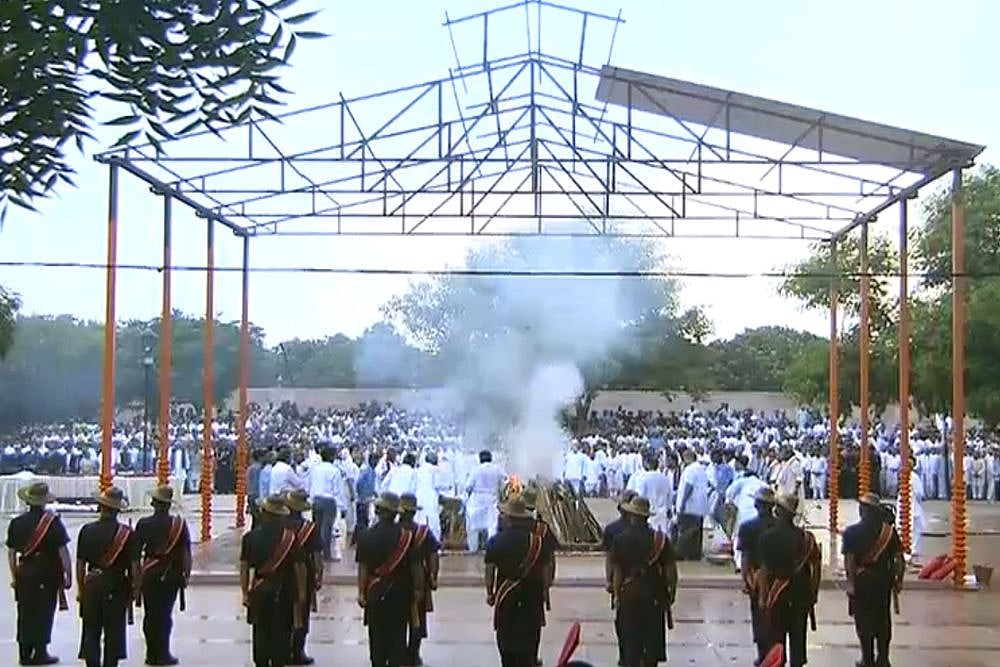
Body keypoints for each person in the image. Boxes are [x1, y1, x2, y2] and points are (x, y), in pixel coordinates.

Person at [6, 482, 72, 666]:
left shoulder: (16, 522)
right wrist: (68, 574)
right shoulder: (52, 522)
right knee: (43, 612)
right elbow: (62, 551)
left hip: (24, 572)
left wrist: (14, 576)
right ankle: (40, 652)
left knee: (25, 611)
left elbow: (11, 554)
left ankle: (24, 653)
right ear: (44, 502)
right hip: (46, 572)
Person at [485, 495, 555, 667]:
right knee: (530, 636)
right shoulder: (537, 542)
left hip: (506, 594)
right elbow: (546, 568)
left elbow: (490, 570)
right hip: (532, 595)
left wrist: (490, 593)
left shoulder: (496, 541)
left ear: (508, 518)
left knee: (506, 635)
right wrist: (545, 592)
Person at [356, 492, 424, 667]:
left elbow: (362, 568)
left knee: (376, 637)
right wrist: (418, 590)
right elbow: (416, 567)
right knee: (397, 638)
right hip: (401, 594)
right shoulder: (407, 537)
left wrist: (361, 593)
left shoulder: (365, 536)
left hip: (374, 591)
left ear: (378, 511)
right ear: (395, 513)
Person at [610, 494, 678, 667]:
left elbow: (617, 572)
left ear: (632, 516)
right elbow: (671, 572)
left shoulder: (620, 540)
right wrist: (671, 594)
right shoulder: (660, 540)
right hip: (654, 595)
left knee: (630, 641)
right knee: (651, 642)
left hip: (629, 595)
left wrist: (617, 595)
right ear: (647, 517)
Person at [240, 495, 307, 667]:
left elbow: (245, 567)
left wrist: (245, 592)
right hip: (284, 591)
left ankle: (261, 660)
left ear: (264, 513)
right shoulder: (291, 538)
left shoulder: (250, 537)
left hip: (259, 589)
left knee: (260, 629)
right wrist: (300, 594)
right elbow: (299, 568)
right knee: (282, 631)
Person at [755, 493, 821, 667]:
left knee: (777, 640)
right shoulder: (807, 538)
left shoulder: (767, 538)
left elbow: (764, 570)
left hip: (778, 593)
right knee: (798, 641)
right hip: (801, 594)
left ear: (778, 511)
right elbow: (816, 567)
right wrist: (813, 592)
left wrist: (762, 597)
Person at [76, 486, 139, 667]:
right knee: (114, 630)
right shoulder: (127, 534)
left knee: (91, 628)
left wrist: (81, 589)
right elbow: (135, 566)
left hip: (92, 584)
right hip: (116, 584)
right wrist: (135, 590)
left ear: (101, 507)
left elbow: (80, 564)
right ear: (118, 510)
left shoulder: (86, 530)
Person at [843, 493, 904, 667]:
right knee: (882, 619)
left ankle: (867, 658)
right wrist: (899, 580)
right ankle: (883, 658)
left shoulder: (852, 532)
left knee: (863, 621)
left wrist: (851, 583)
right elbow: (899, 559)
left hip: (862, 580)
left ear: (863, 511)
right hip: (883, 580)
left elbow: (850, 561)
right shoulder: (889, 532)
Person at [134, 485, 191, 666]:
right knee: (165, 615)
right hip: (171, 573)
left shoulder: (143, 524)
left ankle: (151, 653)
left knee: (150, 614)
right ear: (168, 505)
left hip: (149, 572)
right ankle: (163, 652)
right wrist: (186, 575)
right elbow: (186, 553)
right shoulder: (179, 525)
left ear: (153, 503)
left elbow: (135, 555)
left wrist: (136, 579)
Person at [398, 492, 441, 667]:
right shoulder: (423, 532)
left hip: (396, 578)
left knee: (398, 619)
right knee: (418, 619)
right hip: (419, 579)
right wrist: (433, 576)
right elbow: (433, 556)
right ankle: (413, 654)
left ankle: (399, 653)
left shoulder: (394, 531)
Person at [736, 487, 776, 665]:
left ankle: (763, 655)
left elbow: (745, 557)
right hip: (779, 580)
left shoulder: (747, 527)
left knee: (759, 619)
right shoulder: (779, 526)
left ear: (756, 504)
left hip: (756, 578)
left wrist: (746, 580)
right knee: (776, 620)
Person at [521, 487, 560, 667]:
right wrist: (548, 583)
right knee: (534, 624)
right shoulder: (543, 529)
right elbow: (550, 559)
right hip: (535, 583)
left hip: (510, 585)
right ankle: (531, 657)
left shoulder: (506, 527)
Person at [285, 489, 324, 666]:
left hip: (282, 572)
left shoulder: (281, 525)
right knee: (301, 612)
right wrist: (318, 575)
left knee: (283, 614)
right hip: (304, 575)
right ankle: (298, 651)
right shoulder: (310, 528)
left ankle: (283, 649)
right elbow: (317, 555)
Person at [602, 490, 638, 667]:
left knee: (622, 621)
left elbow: (610, 560)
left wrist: (609, 581)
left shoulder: (612, 530)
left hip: (622, 583)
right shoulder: (654, 535)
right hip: (641, 585)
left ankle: (625, 656)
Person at [465, 450, 505, 552]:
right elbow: (504, 484)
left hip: (476, 500)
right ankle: (492, 549)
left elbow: (468, 486)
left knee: (473, 527)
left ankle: (473, 550)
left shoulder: (475, 470)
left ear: (480, 459)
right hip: (491, 499)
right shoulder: (497, 469)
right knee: (492, 526)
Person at [308, 447, 342, 562]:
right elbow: (337, 490)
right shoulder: (335, 470)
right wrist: (341, 506)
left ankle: (315, 554)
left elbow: (310, 484)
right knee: (326, 529)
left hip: (316, 499)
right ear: (332, 456)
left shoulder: (315, 469)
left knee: (317, 528)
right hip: (329, 501)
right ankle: (326, 555)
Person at [674, 449, 709, 561]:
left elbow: (689, 487)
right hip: (699, 508)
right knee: (696, 534)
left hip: (690, 507)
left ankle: (682, 554)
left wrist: (683, 503)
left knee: (686, 532)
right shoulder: (701, 469)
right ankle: (695, 555)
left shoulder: (690, 469)